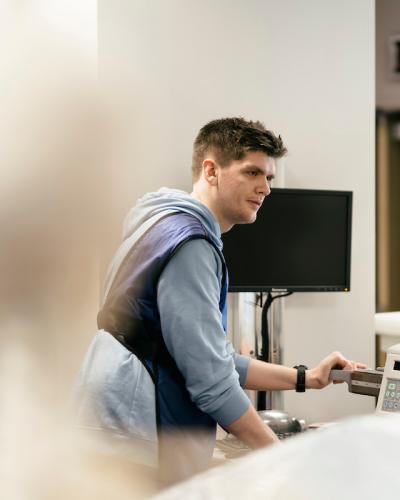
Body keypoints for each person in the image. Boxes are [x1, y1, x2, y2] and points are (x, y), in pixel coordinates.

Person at [75, 117, 364, 485]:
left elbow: (213, 359)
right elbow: (212, 382)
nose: (265, 188)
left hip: (110, 432)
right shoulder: (191, 245)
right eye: (252, 172)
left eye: (269, 178)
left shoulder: (160, 222)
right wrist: (283, 459)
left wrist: (307, 378)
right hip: (133, 442)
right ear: (211, 170)